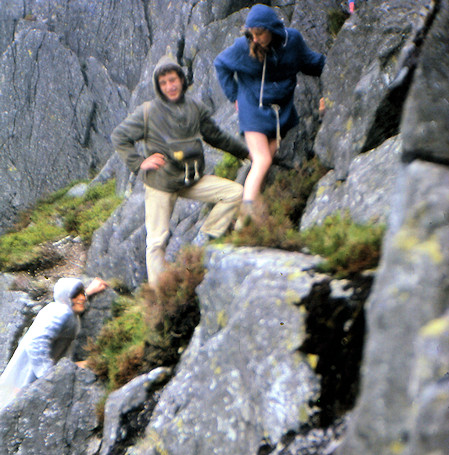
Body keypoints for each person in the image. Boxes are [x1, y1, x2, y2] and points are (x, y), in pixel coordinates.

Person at [111, 55, 250, 288]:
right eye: (163, 82)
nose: (170, 86)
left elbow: (217, 137)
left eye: (173, 80)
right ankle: (159, 295)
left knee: (235, 192)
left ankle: (206, 239)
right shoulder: (148, 112)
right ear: (158, 86)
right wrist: (139, 163)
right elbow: (119, 137)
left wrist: (246, 154)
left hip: (191, 180)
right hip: (160, 185)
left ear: (182, 80)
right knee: (156, 242)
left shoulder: (196, 108)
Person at [214, 4, 326, 215]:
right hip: (252, 109)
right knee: (263, 159)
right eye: (251, 34)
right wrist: (233, 95)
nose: (255, 39)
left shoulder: (292, 41)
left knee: (266, 160)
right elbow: (221, 64)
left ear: (271, 29)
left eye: (259, 34)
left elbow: (310, 62)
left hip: (279, 113)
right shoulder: (243, 47)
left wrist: (336, 68)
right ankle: (246, 216)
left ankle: (256, 214)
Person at [0, 276, 108, 411]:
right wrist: (50, 376)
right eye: (77, 295)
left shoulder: (61, 309)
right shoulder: (62, 312)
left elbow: (70, 298)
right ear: (66, 298)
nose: (82, 298)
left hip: (31, 377)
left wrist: (89, 291)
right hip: (30, 377)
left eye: (82, 293)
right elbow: (36, 344)